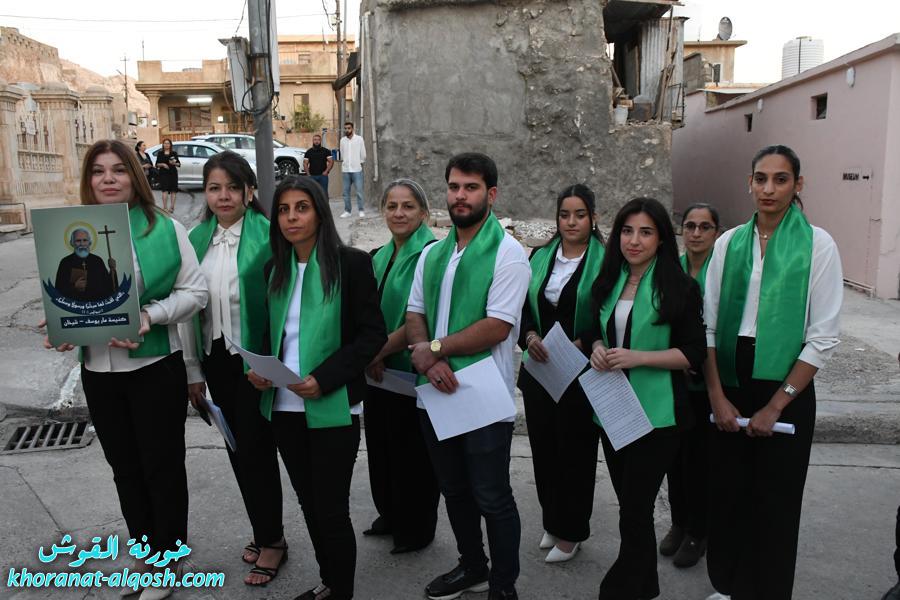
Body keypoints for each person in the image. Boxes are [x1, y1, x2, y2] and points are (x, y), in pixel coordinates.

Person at [44, 139, 208, 600]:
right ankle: (145, 551)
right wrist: (61, 328)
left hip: (154, 366)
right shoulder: (66, 233)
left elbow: (195, 293)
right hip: (99, 370)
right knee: (124, 467)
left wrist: (150, 315)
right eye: (99, 171)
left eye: (118, 170)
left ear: (134, 176)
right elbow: (69, 297)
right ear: (88, 180)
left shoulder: (165, 228)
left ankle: (168, 560)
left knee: (162, 466)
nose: (109, 179)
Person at [703, 145, 843, 600]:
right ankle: (730, 585)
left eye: (781, 179)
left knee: (775, 500)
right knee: (728, 494)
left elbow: (822, 337)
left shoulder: (818, 244)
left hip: (786, 380)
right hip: (731, 375)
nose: (769, 189)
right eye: (760, 178)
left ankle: (765, 591)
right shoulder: (728, 243)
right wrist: (717, 396)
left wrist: (776, 406)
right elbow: (707, 326)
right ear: (749, 182)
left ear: (798, 185)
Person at [247, 176, 386, 600]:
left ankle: (341, 591)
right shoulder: (275, 269)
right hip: (284, 407)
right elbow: (273, 336)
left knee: (331, 508)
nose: (291, 217)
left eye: (301, 208)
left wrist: (325, 378)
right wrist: (259, 370)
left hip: (333, 404)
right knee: (309, 503)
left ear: (320, 214)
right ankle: (329, 581)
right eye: (284, 210)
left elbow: (371, 336)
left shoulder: (352, 264)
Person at [407, 152, 531, 600]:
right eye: (454, 186)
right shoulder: (432, 254)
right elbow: (415, 313)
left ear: (491, 194)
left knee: (492, 496)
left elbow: (497, 326)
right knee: (454, 490)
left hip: (483, 396)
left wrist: (436, 349)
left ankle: (503, 585)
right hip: (436, 391)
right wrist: (430, 358)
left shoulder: (509, 254)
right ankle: (473, 566)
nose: (460, 196)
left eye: (471, 188)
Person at [581, 197, 706, 600]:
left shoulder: (680, 287)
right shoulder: (608, 280)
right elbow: (591, 328)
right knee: (630, 508)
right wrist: (597, 348)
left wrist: (640, 358)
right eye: (627, 231)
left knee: (635, 509)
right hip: (614, 409)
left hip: (659, 415)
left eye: (645, 232)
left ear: (661, 239)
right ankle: (643, 585)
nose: (634, 240)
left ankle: (625, 588)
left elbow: (694, 353)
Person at [178, 151, 286, 586]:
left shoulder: (268, 235)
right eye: (214, 188)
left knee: (257, 450)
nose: (223, 196)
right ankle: (263, 529)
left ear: (248, 191)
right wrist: (192, 370)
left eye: (232, 187)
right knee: (237, 449)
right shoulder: (195, 238)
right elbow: (188, 308)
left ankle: (273, 539)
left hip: (255, 361)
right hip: (216, 359)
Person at [517, 184, 604, 564]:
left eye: (580, 215)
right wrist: (529, 336)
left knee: (575, 453)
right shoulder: (540, 256)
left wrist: (584, 341)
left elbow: (610, 311)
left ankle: (573, 532)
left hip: (580, 373)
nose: (571, 222)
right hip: (540, 370)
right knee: (544, 450)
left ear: (593, 218)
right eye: (565, 215)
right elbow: (521, 306)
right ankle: (552, 520)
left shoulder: (607, 261)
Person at [363, 178, 440, 554]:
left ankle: (416, 529)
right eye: (391, 206)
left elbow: (418, 317)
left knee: (413, 454)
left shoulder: (431, 254)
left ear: (423, 213)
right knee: (382, 447)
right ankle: (390, 514)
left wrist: (377, 352)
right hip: (379, 372)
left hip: (411, 370)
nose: (398, 213)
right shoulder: (380, 255)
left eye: (408, 206)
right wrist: (371, 354)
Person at [658, 203, 721, 568]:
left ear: (716, 232)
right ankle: (679, 523)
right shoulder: (672, 270)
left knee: (701, 462)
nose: (696, 233)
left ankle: (700, 531)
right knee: (675, 460)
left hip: (709, 381)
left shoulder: (722, 270)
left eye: (705, 227)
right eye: (690, 226)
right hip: (675, 379)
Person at [54, 227, 117, 301]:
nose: (82, 244)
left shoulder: (97, 261)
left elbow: (107, 287)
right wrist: (74, 286)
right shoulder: (65, 262)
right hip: (75, 305)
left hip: (97, 304)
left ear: (89, 242)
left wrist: (112, 271)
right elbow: (58, 291)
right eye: (78, 241)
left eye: (85, 240)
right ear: (72, 243)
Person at [339, 121, 366, 218]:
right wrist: (345, 162)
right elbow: (342, 153)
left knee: (359, 192)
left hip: (357, 170)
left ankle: (361, 210)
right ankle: (347, 211)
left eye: (349, 128)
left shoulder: (359, 139)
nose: (347, 130)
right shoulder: (342, 140)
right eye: (345, 128)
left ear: (352, 129)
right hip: (346, 170)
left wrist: (359, 162)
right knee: (346, 192)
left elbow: (363, 154)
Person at [155, 138, 180, 213]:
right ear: (163, 145)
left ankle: (172, 207)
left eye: (168, 143)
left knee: (173, 190)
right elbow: (156, 164)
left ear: (170, 145)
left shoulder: (174, 153)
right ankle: (165, 207)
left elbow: (179, 164)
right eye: (165, 143)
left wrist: (174, 163)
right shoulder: (160, 153)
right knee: (164, 190)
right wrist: (163, 164)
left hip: (173, 173)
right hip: (164, 174)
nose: (166, 145)